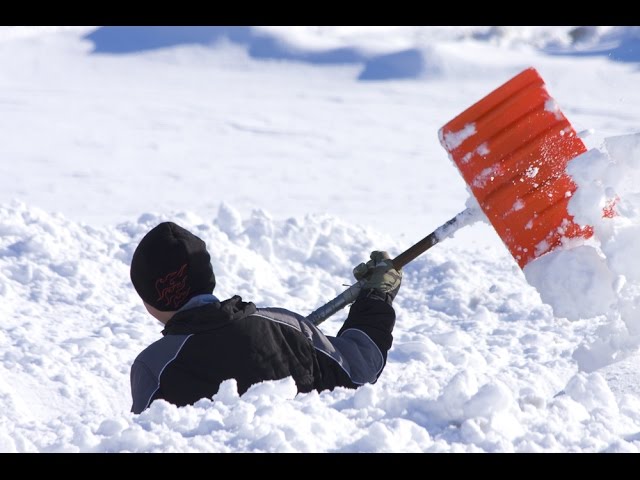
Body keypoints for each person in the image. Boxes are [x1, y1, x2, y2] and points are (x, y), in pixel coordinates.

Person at [129, 221, 402, 414]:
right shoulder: (288, 328)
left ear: (149, 299)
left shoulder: (153, 366)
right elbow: (360, 368)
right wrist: (377, 296)